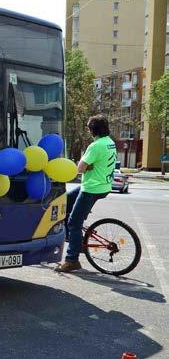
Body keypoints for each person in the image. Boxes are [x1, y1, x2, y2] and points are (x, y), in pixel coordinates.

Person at [56, 115, 117, 273]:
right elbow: (98, 164)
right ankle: (77, 242)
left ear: (92, 130)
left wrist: (86, 166)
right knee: (65, 202)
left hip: (91, 188)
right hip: (103, 186)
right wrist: (91, 166)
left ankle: (72, 260)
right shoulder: (110, 143)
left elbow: (80, 168)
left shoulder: (95, 146)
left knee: (73, 223)